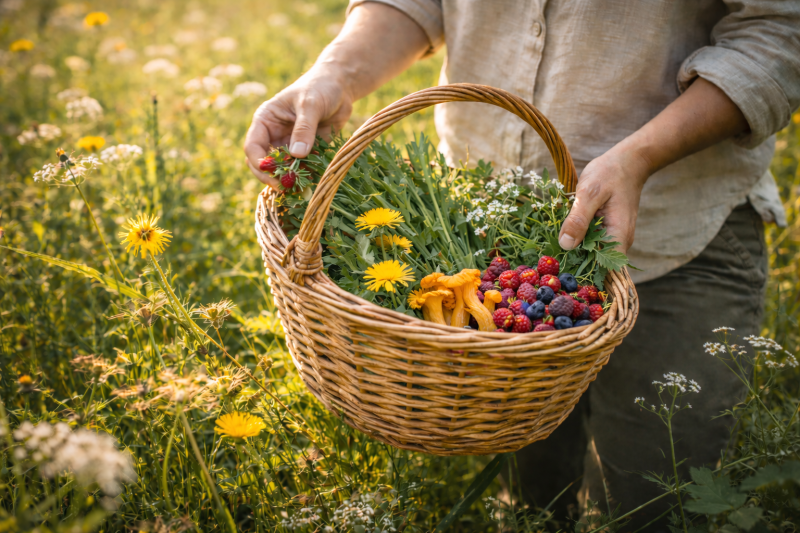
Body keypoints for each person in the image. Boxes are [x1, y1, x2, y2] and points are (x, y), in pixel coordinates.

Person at [244, 1, 800, 529]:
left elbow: (779, 32)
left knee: (655, 502)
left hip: (680, 236)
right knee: (530, 505)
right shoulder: (492, 286)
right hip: (483, 240)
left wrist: (640, 156)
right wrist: (332, 75)